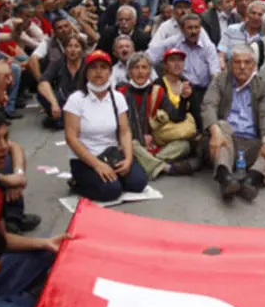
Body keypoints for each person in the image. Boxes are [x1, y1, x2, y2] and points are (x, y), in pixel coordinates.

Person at [0, 62, 69, 307]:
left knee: (52, 250)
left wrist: (44, 244)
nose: (2, 148)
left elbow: (2, 240)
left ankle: (8, 302)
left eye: (5, 138)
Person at [202, 44, 265, 202]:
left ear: (254, 65)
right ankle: (225, 178)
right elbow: (208, 105)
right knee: (221, 126)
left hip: (253, 143)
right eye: (237, 62)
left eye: (247, 62)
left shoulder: (261, 84)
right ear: (230, 64)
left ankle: (252, 179)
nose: (242, 67)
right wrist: (214, 131)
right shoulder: (220, 81)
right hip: (227, 143)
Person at [63, 50, 148, 202]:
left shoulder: (118, 97)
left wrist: (128, 159)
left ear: (110, 72)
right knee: (111, 191)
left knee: (139, 183)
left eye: (103, 67)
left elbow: (125, 131)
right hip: (85, 159)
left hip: (111, 154)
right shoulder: (76, 99)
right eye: (93, 67)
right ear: (86, 72)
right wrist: (97, 165)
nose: (98, 72)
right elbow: (71, 138)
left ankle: (112, 179)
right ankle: (78, 183)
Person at [117, 52, 193, 179]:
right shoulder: (121, 92)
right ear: (129, 72)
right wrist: (140, 138)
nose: (140, 72)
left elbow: (176, 117)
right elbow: (119, 127)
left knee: (184, 145)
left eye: (144, 67)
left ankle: (149, 162)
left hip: (154, 143)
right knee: (132, 144)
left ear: (149, 71)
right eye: (136, 67)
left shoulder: (157, 91)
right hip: (131, 143)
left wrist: (183, 99)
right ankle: (165, 168)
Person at [148, 13, 221, 129]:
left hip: (203, 91)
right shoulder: (172, 42)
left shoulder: (208, 46)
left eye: (197, 27)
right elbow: (148, 58)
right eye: (189, 28)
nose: (194, 31)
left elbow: (215, 73)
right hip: (179, 90)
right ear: (182, 29)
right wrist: (153, 80)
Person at [37, 35, 85, 129]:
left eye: (76, 46)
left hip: (83, 101)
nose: (72, 50)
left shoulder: (87, 63)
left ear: (82, 49)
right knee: (42, 93)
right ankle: (65, 119)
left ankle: (63, 121)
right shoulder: (58, 62)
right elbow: (43, 83)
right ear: (65, 49)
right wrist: (54, 103)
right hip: (64, 100)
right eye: (69, 46)